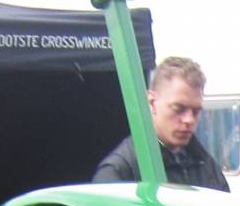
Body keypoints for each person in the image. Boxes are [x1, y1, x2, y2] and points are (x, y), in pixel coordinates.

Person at [93, 56, 229, 190]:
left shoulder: (207, 166)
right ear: (152, 102)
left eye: (196, 111)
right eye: (178, 108)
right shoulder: (119, 171)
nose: (189, 120)